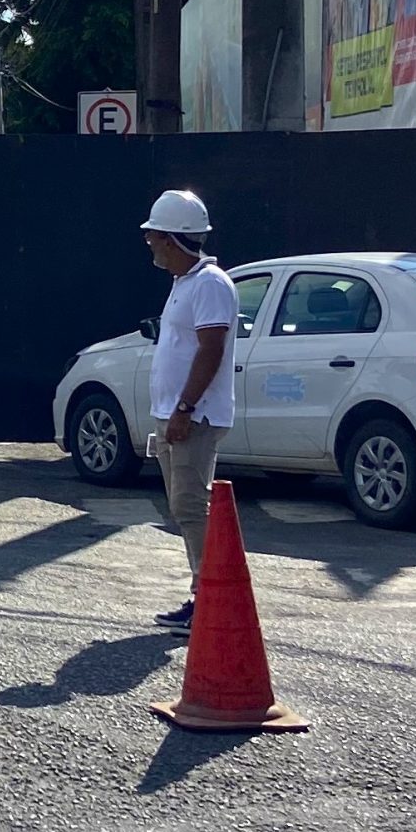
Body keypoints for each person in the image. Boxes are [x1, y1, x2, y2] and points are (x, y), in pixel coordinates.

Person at [141, 189, 238, 635]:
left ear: (172, 239)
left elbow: (211, 349)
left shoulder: (211, 284)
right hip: (176, 414)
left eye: (153, 237)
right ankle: (203, 594)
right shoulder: (186, 284)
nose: (149, 245)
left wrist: (184, 408)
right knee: (184, 507)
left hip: (193, 416)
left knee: (190, 505)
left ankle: (208, 598)